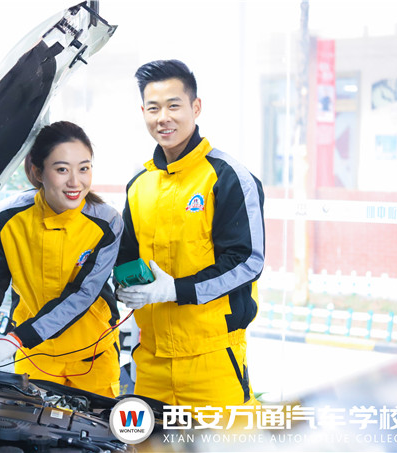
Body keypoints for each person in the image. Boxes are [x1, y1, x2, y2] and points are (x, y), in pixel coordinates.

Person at [115, 60, 265, 420]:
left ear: (196, 107)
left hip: (211, 361)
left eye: (174, 105)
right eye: (153, 108)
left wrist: (175, 290)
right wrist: (125, 286)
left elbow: (248, 261)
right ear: (143, 112)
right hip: (150, 363)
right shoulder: (139, 185)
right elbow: (127, 257)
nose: (163, 118)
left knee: (225, 445)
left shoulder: (227, 177)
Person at [0, 121, 123, 398]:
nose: (75, 182)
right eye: (62, 169)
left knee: (93, 425)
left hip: (92, 353)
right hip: (33, 353)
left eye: (84, 168)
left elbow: (82, 294)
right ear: (38, 171)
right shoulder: (6, 218)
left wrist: (14, 339)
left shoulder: (107, 222)